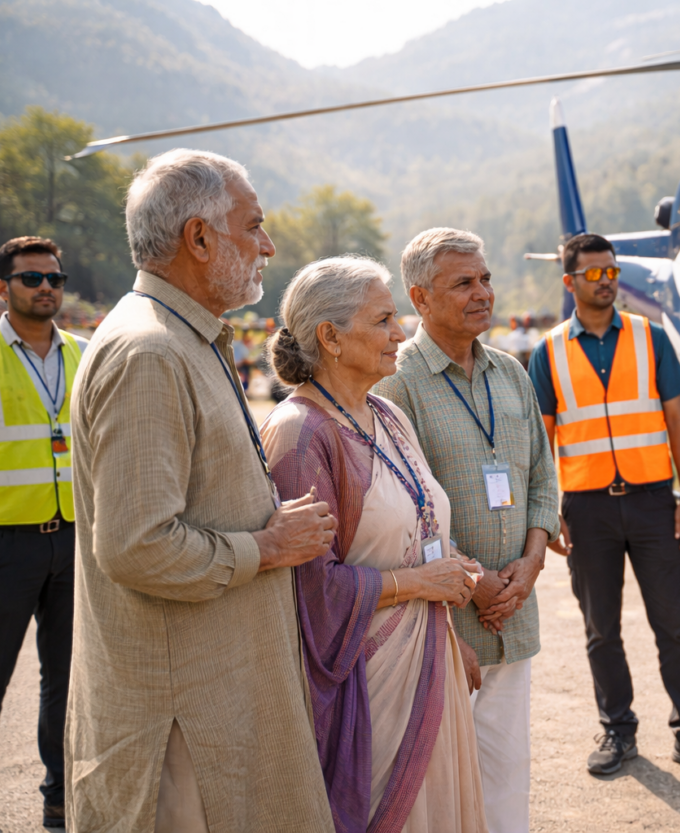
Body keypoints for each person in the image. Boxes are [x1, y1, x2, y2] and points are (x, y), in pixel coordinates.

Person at [67, 149, 340, 832]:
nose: (268, 245)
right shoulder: (151, 353)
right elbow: (136, 546)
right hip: (181, 727)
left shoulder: (183, 338)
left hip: (210, 705)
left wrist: (261, 521)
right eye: (254, 226)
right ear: (198, 237)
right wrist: (265, 546)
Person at [260, 255, 487, 832]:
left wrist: (445, 623)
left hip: (428, 658)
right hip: (364, 685)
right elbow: (309, 590)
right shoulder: (301, 433)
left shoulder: (385, 414)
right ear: (330, 337)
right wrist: (418, 585)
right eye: (384, 319)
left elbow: (417, 525)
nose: (401, 332)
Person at [527, 233, 680, 779]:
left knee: (676, 624)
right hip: (586, 510)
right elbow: (540, 444)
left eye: (611, 271)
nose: (606, 280)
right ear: (570, 282)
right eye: (593, 273)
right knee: (602, 629)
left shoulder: (651, 338)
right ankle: (618, 730)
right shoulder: (547, 352)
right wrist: (548, 514)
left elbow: (676, 422)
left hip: (652, 504)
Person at [375, 228, 559, 833]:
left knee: (507, 775)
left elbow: (541, 474)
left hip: (514, 613)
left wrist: (529, 567)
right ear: (420, 298)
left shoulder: (510, 372)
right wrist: (476, 582)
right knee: (439, 788)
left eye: (484, 278)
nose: (483, 292)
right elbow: (399, 509)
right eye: (464, 283)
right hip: (443, 625)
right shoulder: (396, 385)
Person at [0, 237, 88, 831]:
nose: (46, 287)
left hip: (73, 538)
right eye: (31, 279)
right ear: (3, 288)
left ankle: (60, 795)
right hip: (2, 543)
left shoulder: (87, 354)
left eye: (55, 277)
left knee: (68, 679)